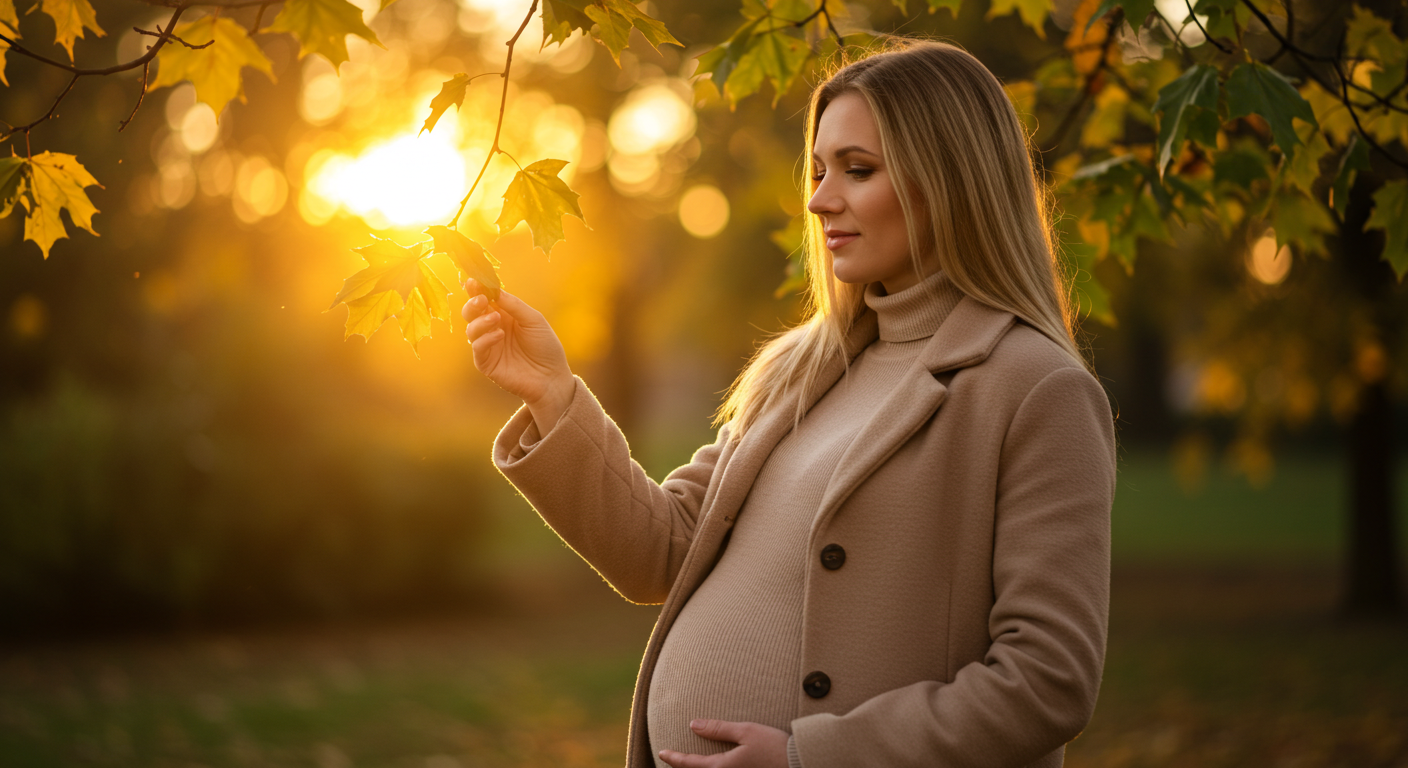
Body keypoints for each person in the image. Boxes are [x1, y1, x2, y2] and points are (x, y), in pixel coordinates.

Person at [461, 39, 1116, 768]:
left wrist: (814, 758)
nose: (819, 198)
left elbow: (1048, 680)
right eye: (818, 169)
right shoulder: (802, 369)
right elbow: (662, 551)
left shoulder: (1035, 389)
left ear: (952, 180)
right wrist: (555, 395)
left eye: (858, 170)